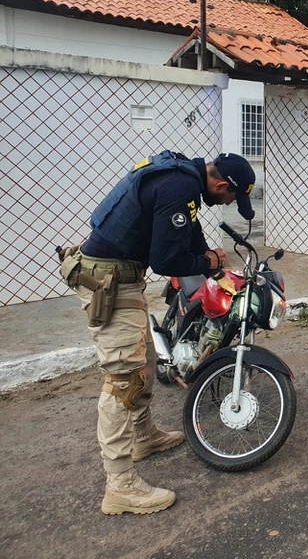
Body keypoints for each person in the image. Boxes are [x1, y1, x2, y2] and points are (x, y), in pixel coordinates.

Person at [58, 151, 256, 515]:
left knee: (145, 361)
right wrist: (208, 262)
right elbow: (166, 261)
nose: (228, 203)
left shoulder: (186, 181)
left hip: (122, 277)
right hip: (109, 282)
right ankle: (120, 486)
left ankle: (142, 436)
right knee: (123, 380)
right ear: (221, 185)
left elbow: (189, 233)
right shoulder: (181, 186)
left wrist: (208, 258)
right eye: (230, 197)